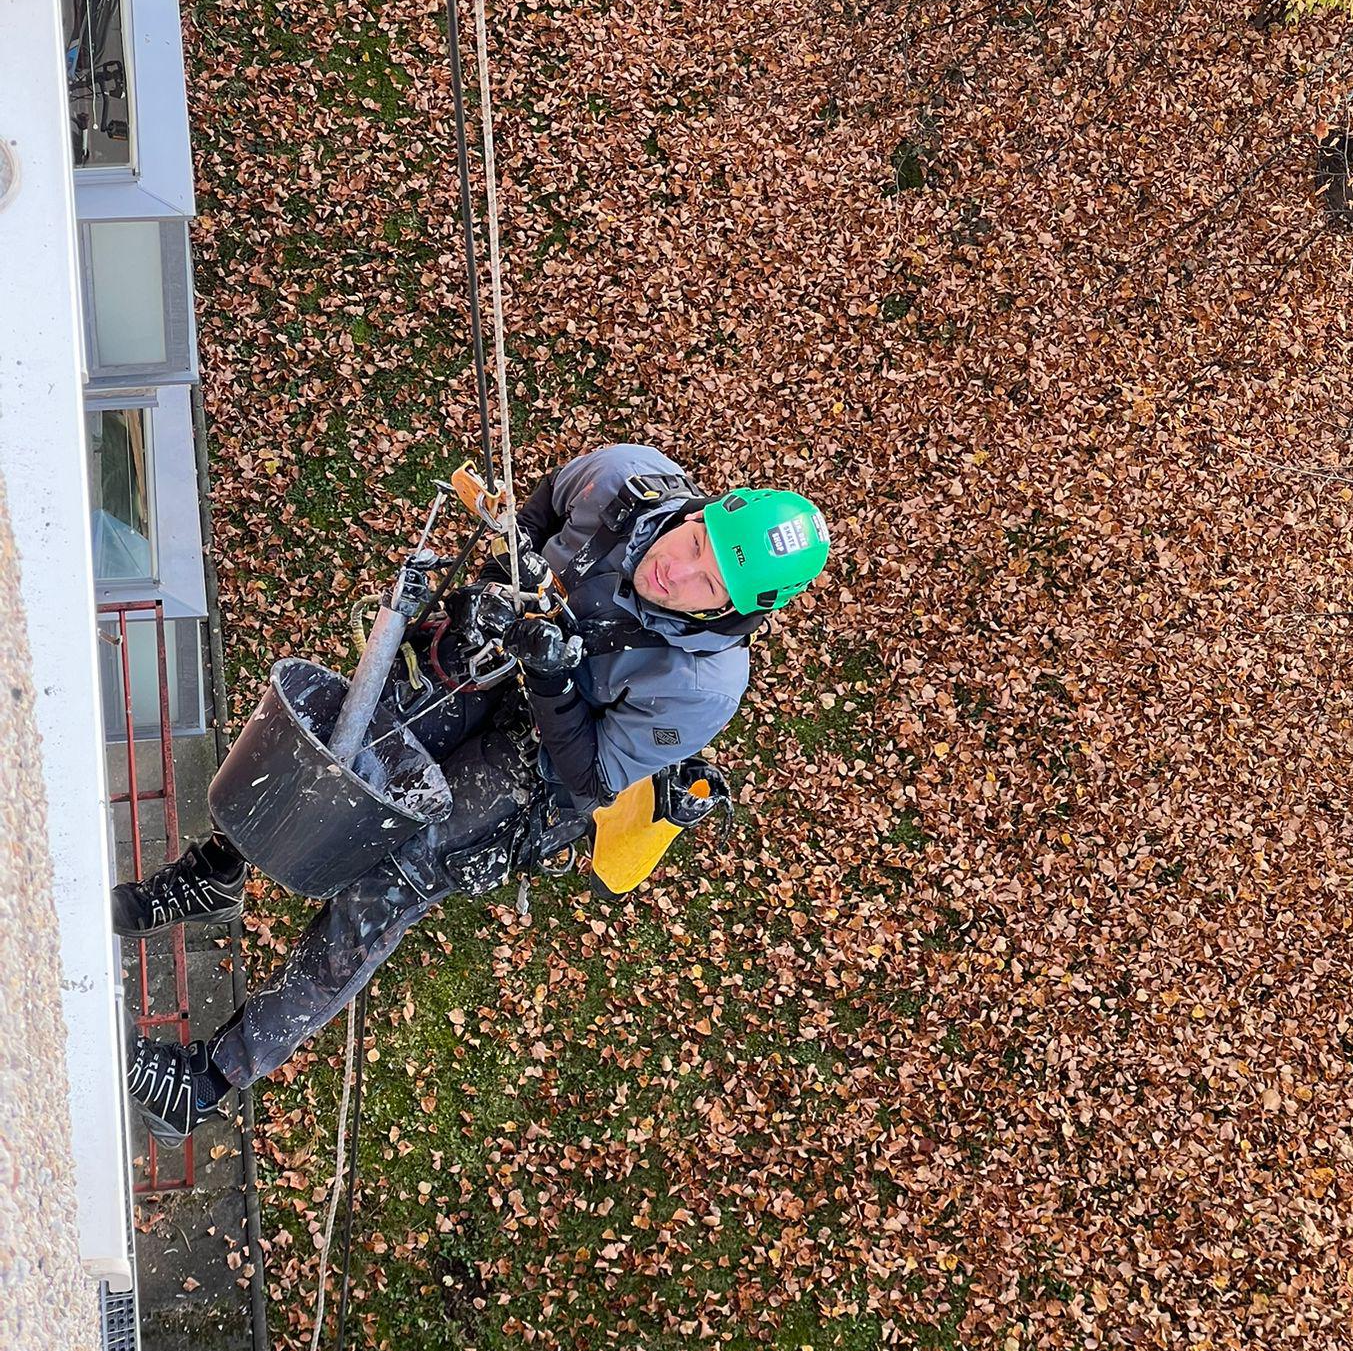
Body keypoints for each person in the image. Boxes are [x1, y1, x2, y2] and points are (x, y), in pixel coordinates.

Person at [121, 445, 830, 1142]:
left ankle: (207, 1083)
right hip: (494, 650)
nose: (676, 568)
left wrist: (552, 677)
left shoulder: (700, 686)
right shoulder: (623, 481)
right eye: (697, 536)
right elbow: (541, 509)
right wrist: (498, 586)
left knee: (386, 887)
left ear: (733, 613)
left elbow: (591, 775)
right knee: (342, 752)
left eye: (707, 583)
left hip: (541, 758)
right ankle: (216, 872)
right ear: (704, 507)